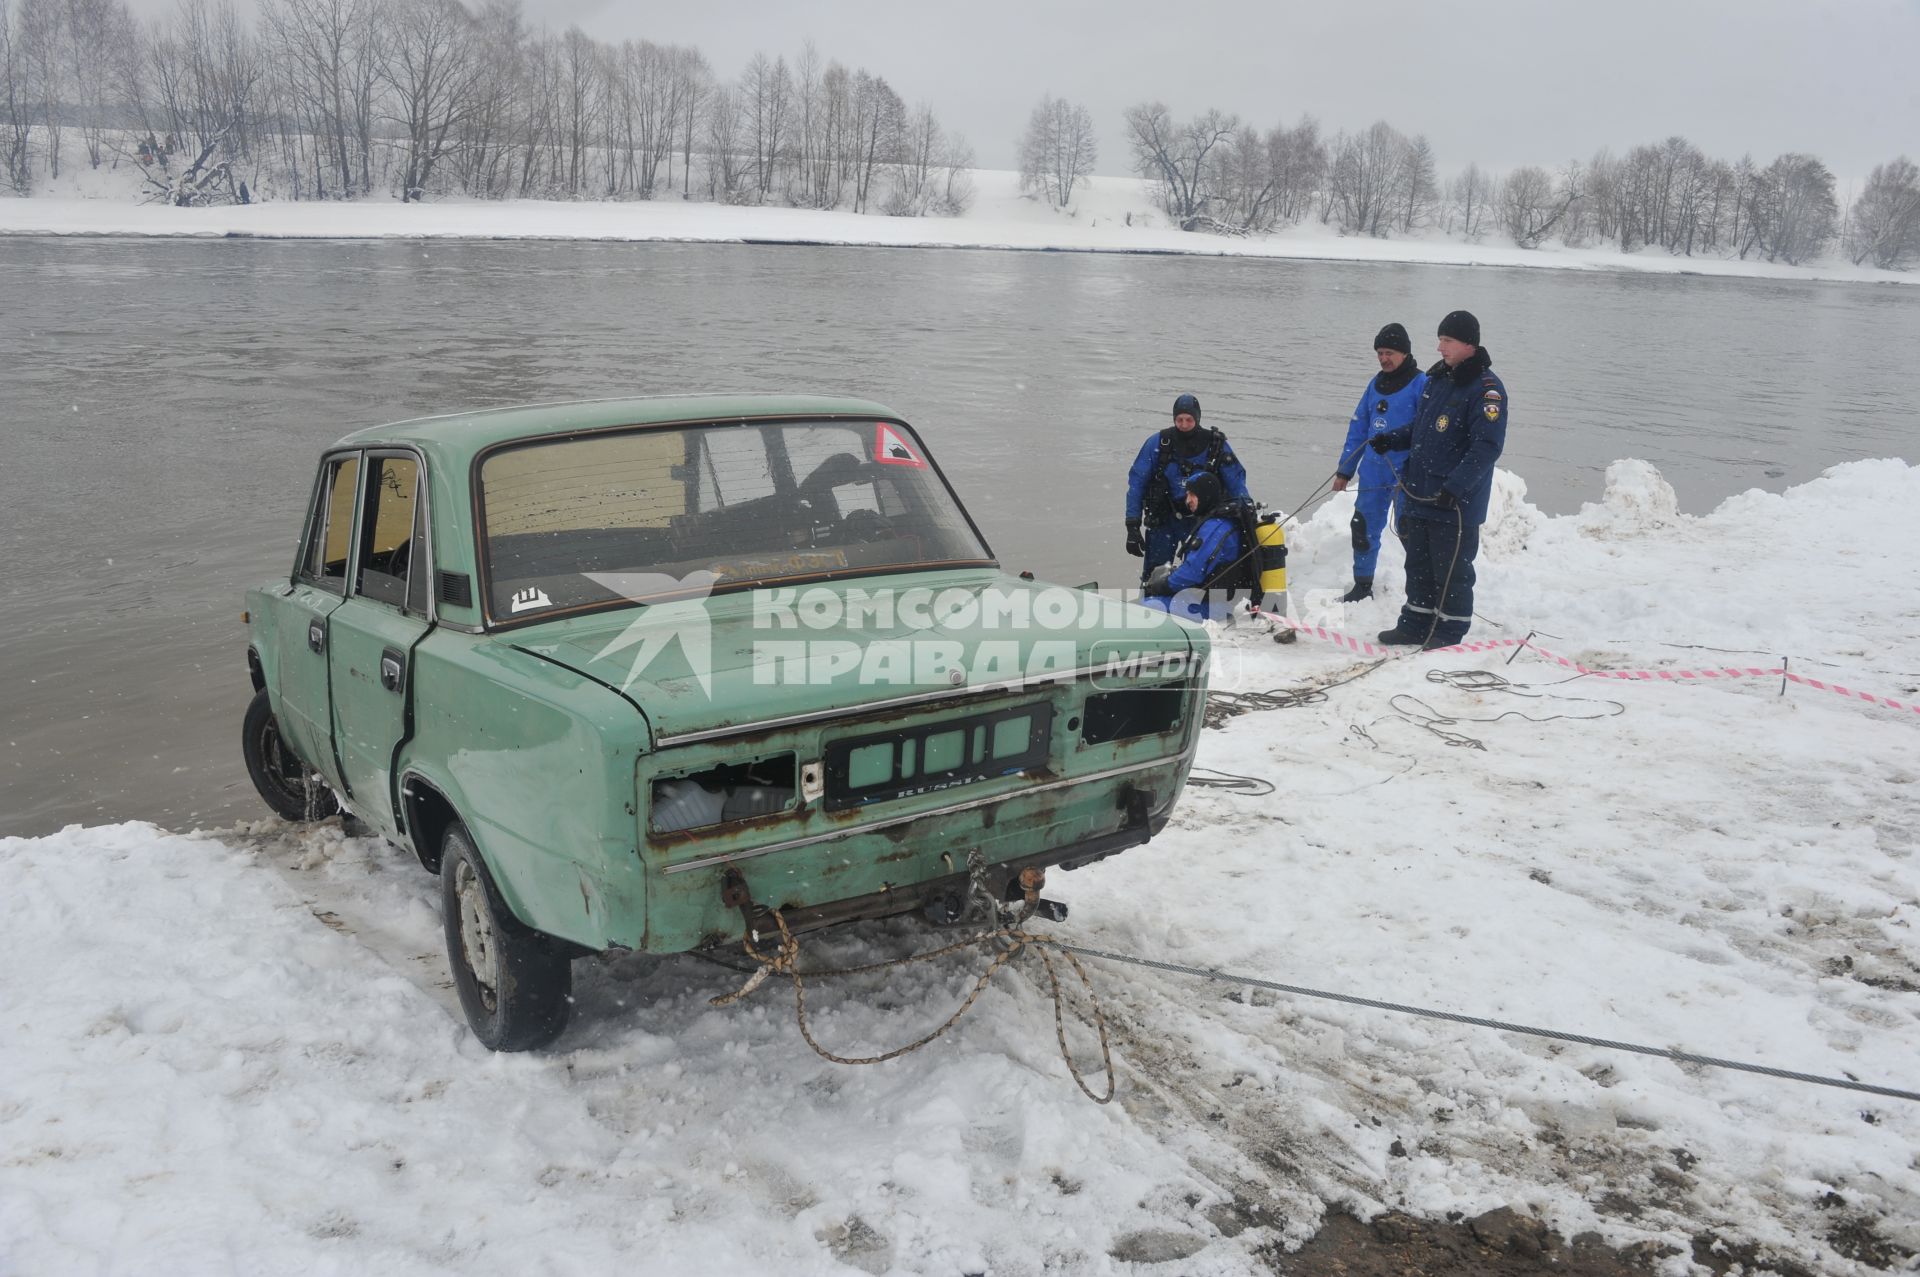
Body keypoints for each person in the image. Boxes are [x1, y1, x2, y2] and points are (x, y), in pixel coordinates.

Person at [1369, 310, 1507, 649]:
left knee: (1451, 570)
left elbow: (1487, 447)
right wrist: (1394, 438)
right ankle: (1415, 623)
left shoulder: (1487, 389)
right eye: (1440, 339)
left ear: (1468, 344)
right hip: (1421, 493)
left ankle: (1449, 631)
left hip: (1454, 501)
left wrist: (1456, 487)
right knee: (1418, 565)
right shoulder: (1439, 380)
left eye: (1447, 341)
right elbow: (1423, 429)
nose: (1439, 347)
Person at [1332, 323, 1424, 602]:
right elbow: (1358, 428)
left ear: (1405, 353)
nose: (1384, 359)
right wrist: (1345, 470)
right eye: (1380, 353)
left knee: (1411, 531)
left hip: (1406, 472)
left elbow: (1427, 430)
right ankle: (1362, 585)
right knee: (1362, 527)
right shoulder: (1375, 384)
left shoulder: (1422, 384)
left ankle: (1421, 588)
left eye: (1390, 353)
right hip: (1373, 471)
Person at [1125, 393, 1249, 585]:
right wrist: (1132, 525)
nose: (1183, 425)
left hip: (1202, 521)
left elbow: (1236, 481)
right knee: (1153, 575)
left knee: (1201, 574)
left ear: (1197, 418)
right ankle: (1149, 605)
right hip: (1164, 519)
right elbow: (1137, 483)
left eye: (1189, 420)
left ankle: (1196, 611)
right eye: (1179, 419)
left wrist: (1246, 513)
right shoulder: (1158, 443)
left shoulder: (1216, 446)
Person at [1140, 473, 1248, 622]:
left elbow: (1193, 572)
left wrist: (1161, 586)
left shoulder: (1216, 527)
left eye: (1192, 495)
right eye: (1187, 495)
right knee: (1158, 581)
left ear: (1205, 495)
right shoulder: (1217, 521)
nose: (1187, 500)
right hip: (1209, 598)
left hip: (1213, 607)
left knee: (1145, 607)